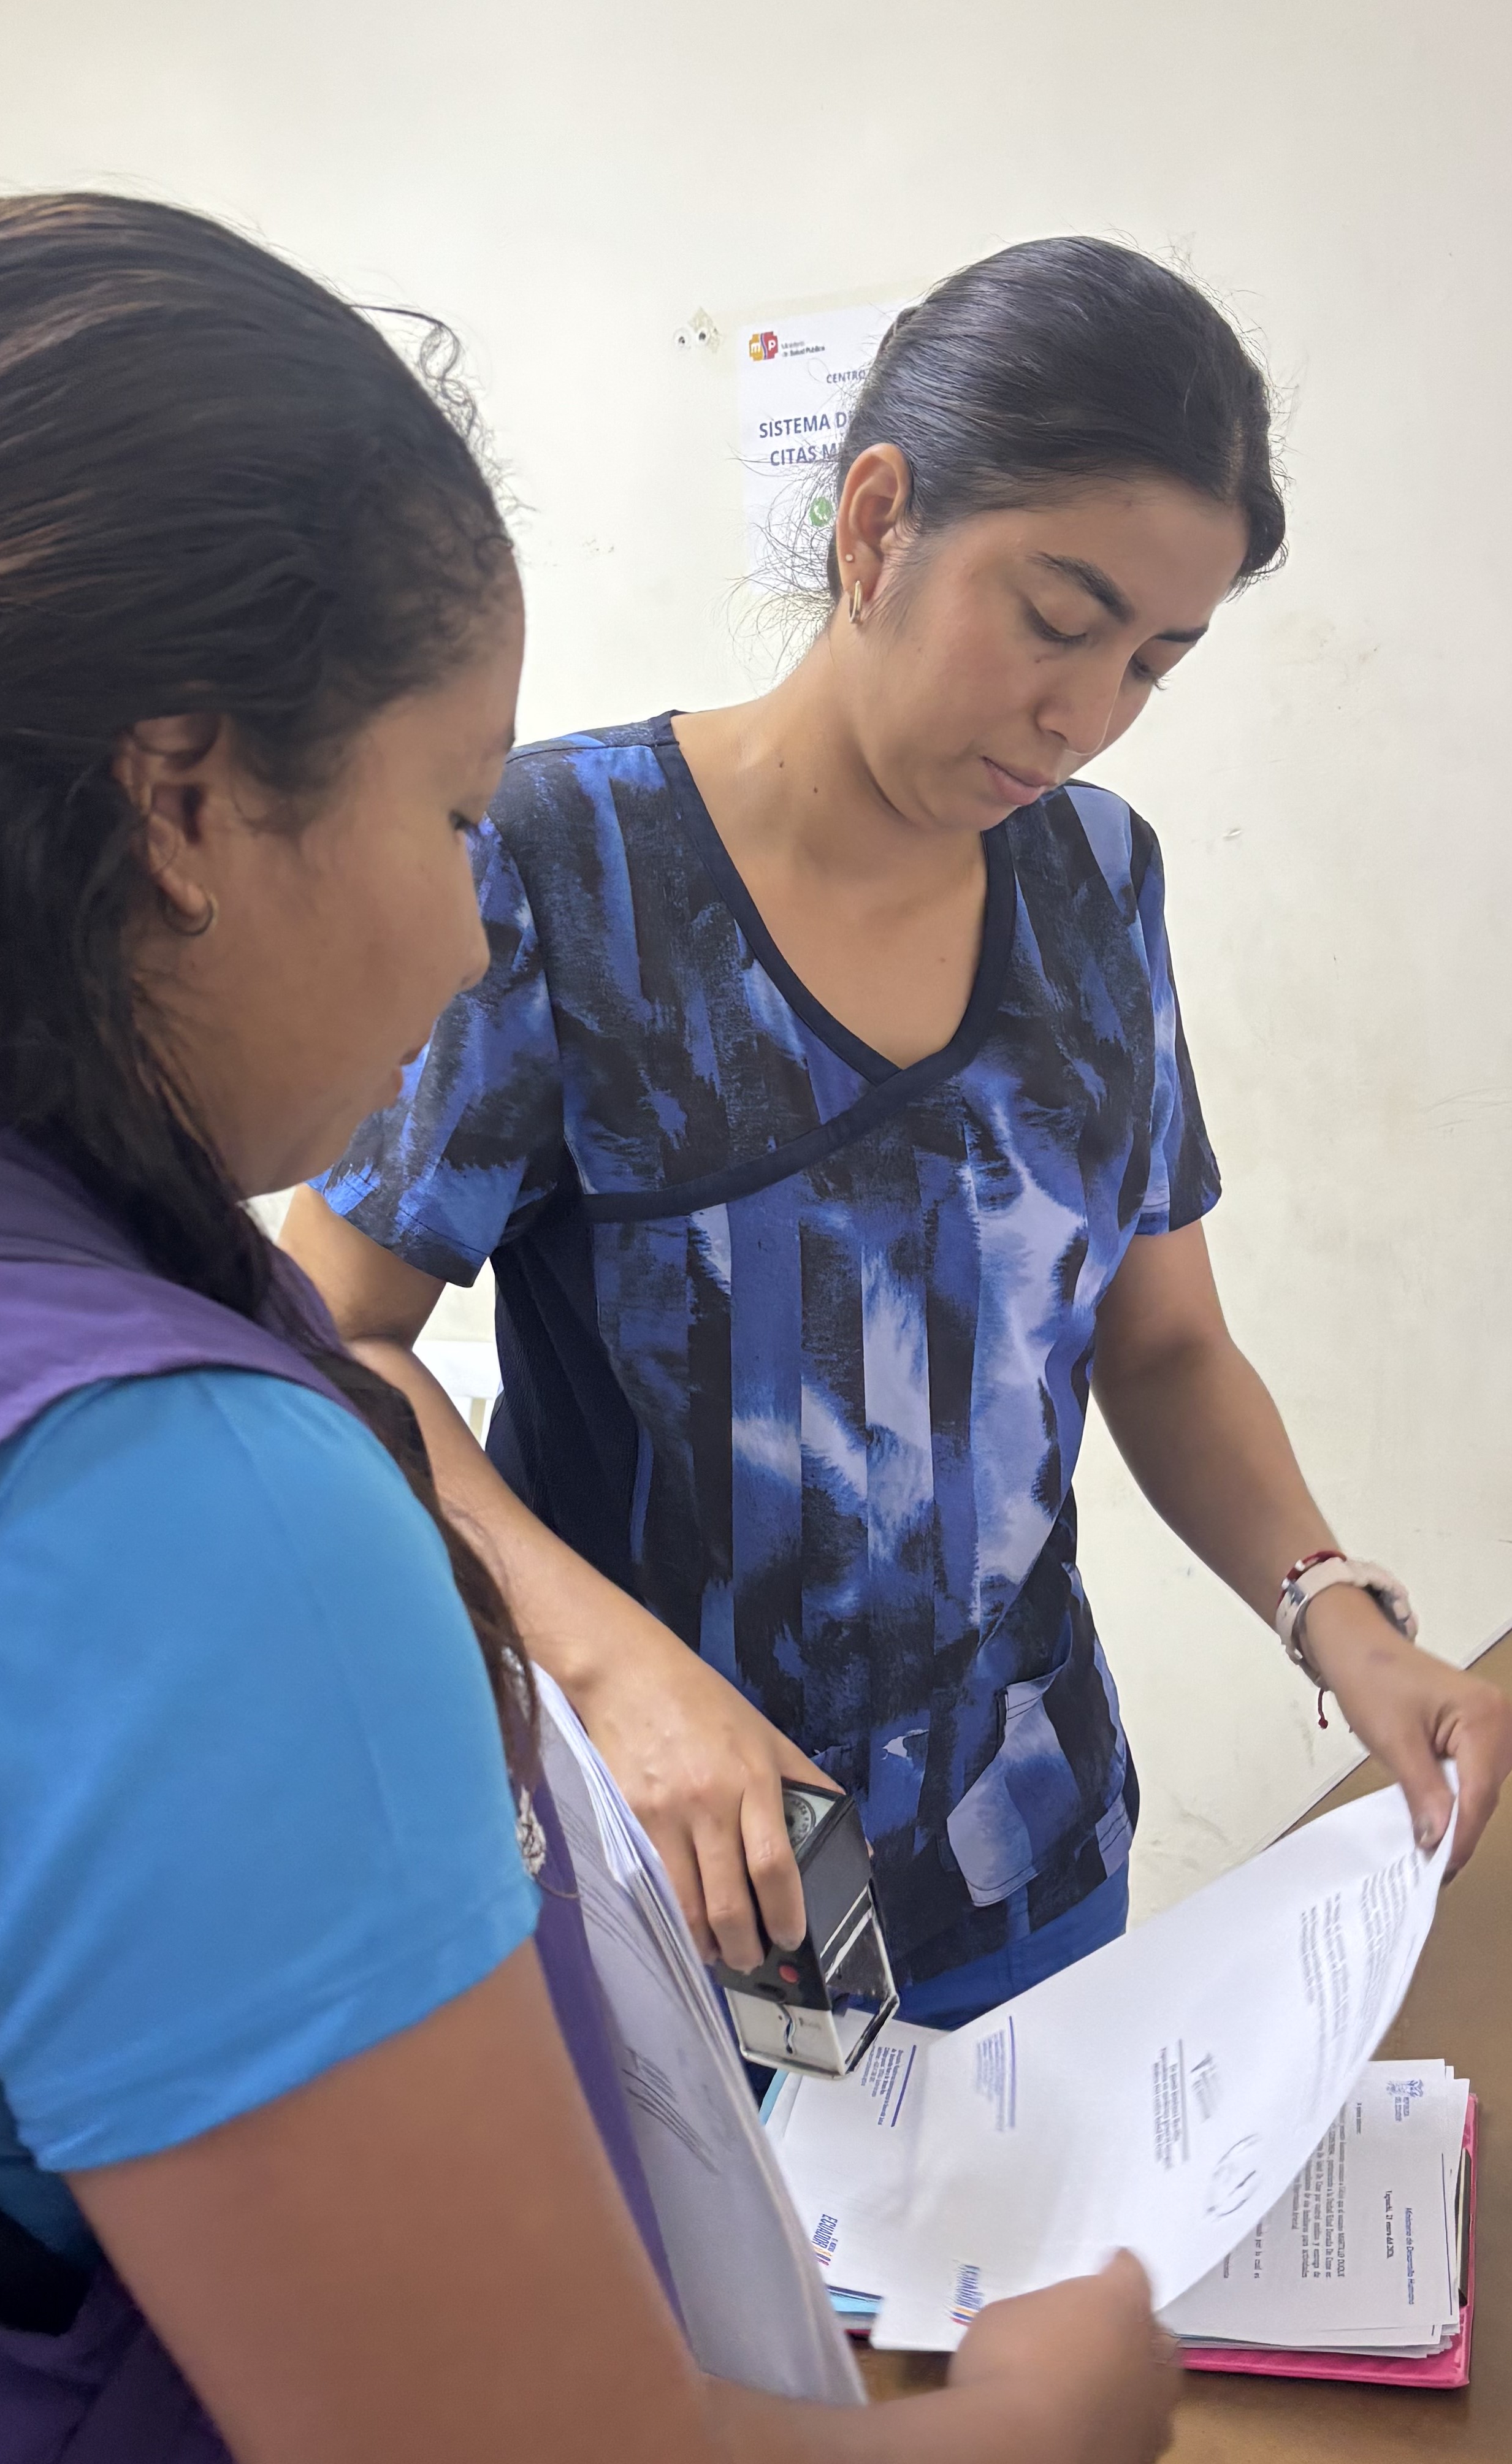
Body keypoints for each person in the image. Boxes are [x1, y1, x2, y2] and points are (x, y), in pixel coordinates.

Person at [0, 196, 1174, 2464]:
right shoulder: (160, 1521)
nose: (474, 942)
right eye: (453, 815)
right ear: (185, 798)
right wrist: (1046, 2419)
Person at [286, 237, 1512, 2024]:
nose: (1084, 716)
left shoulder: (1098, 881)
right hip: (688, 1881)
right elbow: (339, 1343)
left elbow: (1164, 1345)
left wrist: (1340, 1617)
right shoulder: (564, 868)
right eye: (1058, 620)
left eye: (1154, 663)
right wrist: (609, 1668)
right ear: (876, 524)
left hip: (1025, 1854)